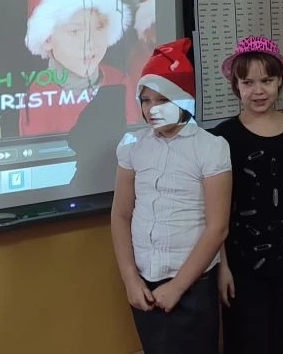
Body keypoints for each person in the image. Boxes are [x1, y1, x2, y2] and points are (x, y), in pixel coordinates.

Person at [110, 38, 232, 354]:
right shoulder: (133, 147)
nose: (152, 109)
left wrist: (178, 287)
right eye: (145, 100)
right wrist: (130, 279)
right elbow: (121, 214)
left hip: (192, 285)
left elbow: (217, 227)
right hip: (144, 284)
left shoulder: (210, 147)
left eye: (162, 100)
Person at [211, 37, 283, 354]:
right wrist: (222, 267)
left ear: (280, 80)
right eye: (248, 82)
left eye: (267, 81)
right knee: (248, 341)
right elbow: (216, 212)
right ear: (236, 85)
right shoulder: (222, 138)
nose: (258, 91)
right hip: (242, 268)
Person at [18, 0, 131, 136]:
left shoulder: (121, 81)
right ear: (47, 38)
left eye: (99, 27)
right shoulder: (38, 97)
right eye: (75, 31)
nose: (90, 42)